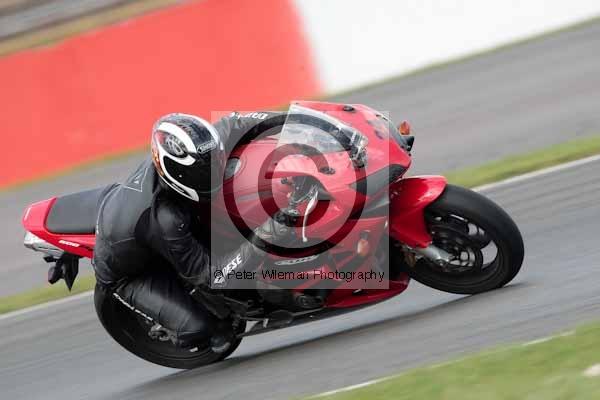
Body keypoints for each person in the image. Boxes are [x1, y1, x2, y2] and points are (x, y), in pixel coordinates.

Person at [92, 111, 292, 351]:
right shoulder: (166, 219)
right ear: (178, 174)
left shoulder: (203, 148)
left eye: (214, 161)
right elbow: (211, 277)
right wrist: (265, 236)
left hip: (147, 219)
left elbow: (236, 122)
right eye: (203, 172)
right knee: (203, 329)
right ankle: (180, 325)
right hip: (131, 271)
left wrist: (296, 119)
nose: (213, 170)